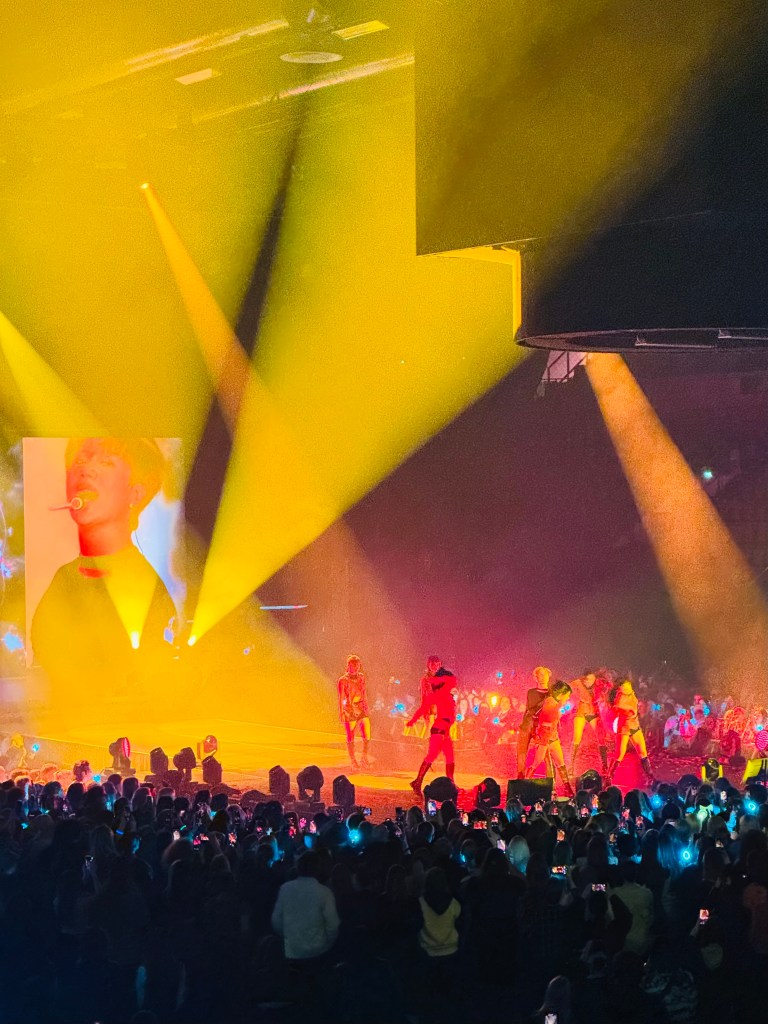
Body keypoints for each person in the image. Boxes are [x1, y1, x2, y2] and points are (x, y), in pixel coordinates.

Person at [31, 438, 176, 693]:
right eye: (79, 461)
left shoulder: (144, 586)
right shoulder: (66, 578)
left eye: (106, 462)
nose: (86, 470)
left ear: (136, 493)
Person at [406, 656, 457, 796]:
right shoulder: (427, 681)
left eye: (437, 664)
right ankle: (418, 781)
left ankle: (451, 782)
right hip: (436, 719)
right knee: (434, 753)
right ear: (428, 665)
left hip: (444, 721)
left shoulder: (443, 682)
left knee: (449, 755)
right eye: (433, 664)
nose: (435, 666)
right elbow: (425, 698)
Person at [525, 680, 575, 796]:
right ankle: (524, 784)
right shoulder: (550, 702)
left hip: (552, 735)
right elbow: (548, 719)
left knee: (560, 762)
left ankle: (567, 789)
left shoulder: (554, 703)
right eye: (567, 696)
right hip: (545, 736)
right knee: (537, 761)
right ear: (561, 694)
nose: (568, 698)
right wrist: (560, 707)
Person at [607, 679, 654, 784]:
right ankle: (609, 777)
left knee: (643, 752)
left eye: (629, 686)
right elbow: (618, 706)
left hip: (635, 726)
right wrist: (631, 709)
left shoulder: (632, 693)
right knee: (619, 754)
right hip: (624, 728)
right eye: (625, 688)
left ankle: (650, 778)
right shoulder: (620, 698)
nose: (628, 689)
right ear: (620, 689)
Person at [569, 671, 609, 775]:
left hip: (593, 712)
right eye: (586, 679)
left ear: (594, 680)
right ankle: (570, 766)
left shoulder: (597, 686)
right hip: (581, 712)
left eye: (591, 680)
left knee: (601, 738)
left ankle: (605, 766)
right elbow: (569, 685)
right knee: (576, 739)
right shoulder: (579, 683)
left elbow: (608, 687)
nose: (588, 681)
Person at [517, 666, 552, 777]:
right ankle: (520, 776)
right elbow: (529, 709)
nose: (543, 677)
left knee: (545, 753)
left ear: (549, 676)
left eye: (545, 674)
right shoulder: (531, 692)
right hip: (528, 724)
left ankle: (550, 778)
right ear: (536, 678)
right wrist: (523, 723)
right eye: (540, 675)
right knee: (521, 751)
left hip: (542, 726)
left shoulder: (552, 693)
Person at [337, 655, 371, 769]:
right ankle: (353, 760)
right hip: (349, 710)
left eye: (357, 665)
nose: (356, 668)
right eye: (353, 665)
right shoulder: (343, 680)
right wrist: (342, 713)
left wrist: (366, 705)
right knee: (350, 735)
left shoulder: (361, 677)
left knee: (367, 732)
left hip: (360, 708)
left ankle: (364, 757)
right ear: (348, 665)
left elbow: (363, 692)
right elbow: (341, 697)